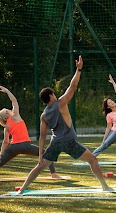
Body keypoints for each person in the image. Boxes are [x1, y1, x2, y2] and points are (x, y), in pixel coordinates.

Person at [17, 55, 110, 194]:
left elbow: (42, 136)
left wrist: (41, 154)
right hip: (69, 141)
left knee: (40, 167)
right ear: (50, 96)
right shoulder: (60, 103)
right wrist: (78, 70)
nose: (55, 95)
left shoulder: (44, 115)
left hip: (55, 142)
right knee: (92, 159)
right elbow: (72, 86)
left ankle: (22, 189)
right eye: (53, 94)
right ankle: (105, 186)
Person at [0, 86, 60, 178]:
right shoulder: (15, 116)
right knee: (46, 153)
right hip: (25, 145)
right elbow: (14, 101)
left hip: (13, 148)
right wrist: (7, 91)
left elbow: (6, 142)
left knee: (1, 162)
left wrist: (1, 153)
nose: (10, 110)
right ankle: (54, 174)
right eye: (8, 110)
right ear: (7, 114)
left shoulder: (6, 126)